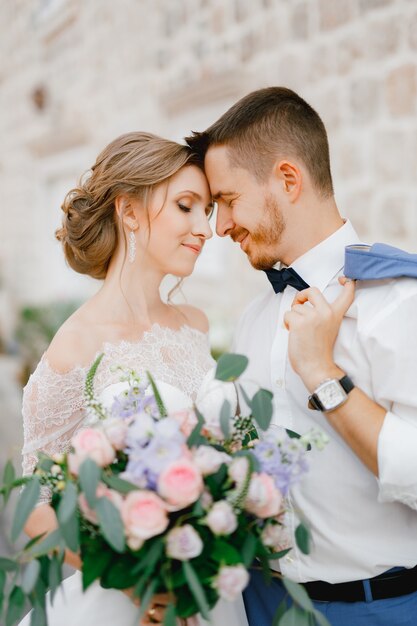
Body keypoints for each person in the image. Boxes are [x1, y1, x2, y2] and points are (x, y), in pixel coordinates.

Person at [186, 87, 417, 626]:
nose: (219, 226)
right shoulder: (253, 318)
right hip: (264, 603)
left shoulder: (398, 302)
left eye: (227, 200)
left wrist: (322, 372)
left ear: (288, 180)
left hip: (378, 608)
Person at [20, 132, 248, 626]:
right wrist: (129, 578)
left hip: (210, 596)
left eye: (206, 210)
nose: (203, 228)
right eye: (186, 206)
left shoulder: (196, 324)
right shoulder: (75, 346)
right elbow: (36, 511)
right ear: (128, 212)